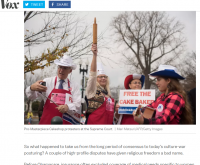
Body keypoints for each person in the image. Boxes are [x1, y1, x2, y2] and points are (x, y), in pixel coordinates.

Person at [26, 55, 81, 125]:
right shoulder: (47, 82)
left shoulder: (74, 86)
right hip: (47, 123)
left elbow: (77, 105)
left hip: (66, 124)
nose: (61, 70)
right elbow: (31, 96)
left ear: (70, 71)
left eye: (65, 68)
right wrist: (31, 88)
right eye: (60, 67)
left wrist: (67, 107)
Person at [85, 44, 114, 124]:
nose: (103, 78)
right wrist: (94, 55)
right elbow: (92, 74)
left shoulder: (109, 95)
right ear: (96, 79)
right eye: (100, 77)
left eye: (105, 77)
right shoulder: (92, 91)